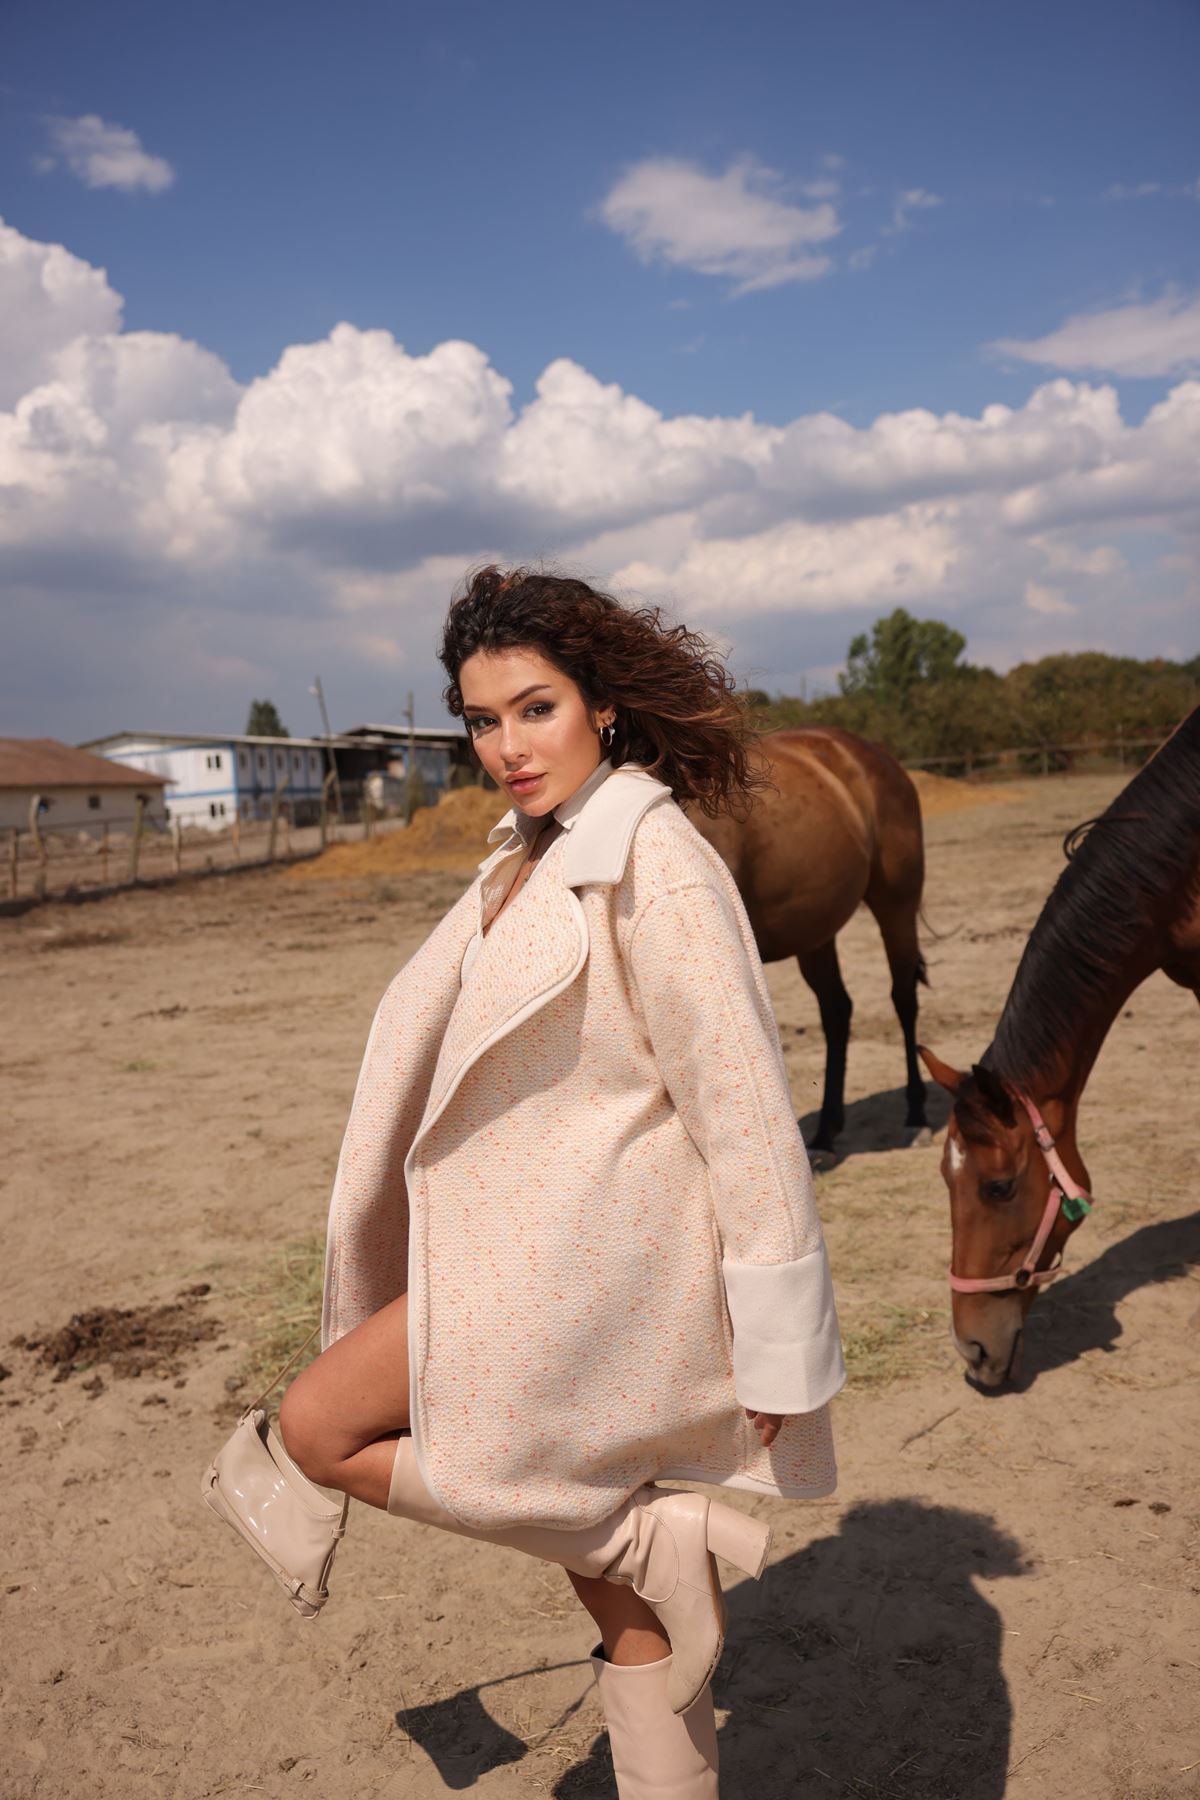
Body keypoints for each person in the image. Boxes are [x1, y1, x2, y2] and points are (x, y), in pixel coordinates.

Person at [278, 567, 846, 1797]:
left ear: (605, 705)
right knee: (623, 1612)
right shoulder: (528, 852)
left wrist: (777, 1343)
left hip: (594, 1269)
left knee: (315, 1427)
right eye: (483, 721)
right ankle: (654, 1602)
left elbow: (747, 1113)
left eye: (535, 710)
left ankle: (649, 1541)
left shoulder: (654, 861)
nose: (508, 748)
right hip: (520, 1249)